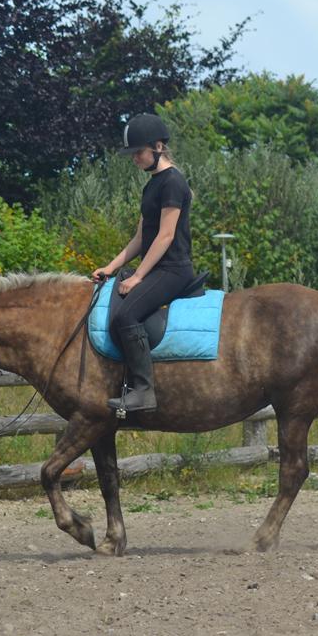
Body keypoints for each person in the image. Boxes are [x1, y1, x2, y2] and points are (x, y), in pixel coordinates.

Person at [91, 113, 196, 414]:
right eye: (132, 153)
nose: (135, 158)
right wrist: (110, 268)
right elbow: (141, 238)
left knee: (125, 317)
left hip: (173, 269)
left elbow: (164, 237)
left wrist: (137, 277)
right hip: (157, 267)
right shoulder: (151, 185)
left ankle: (144, 391)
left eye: (138, 152)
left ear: (158, 147)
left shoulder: (173, 182)